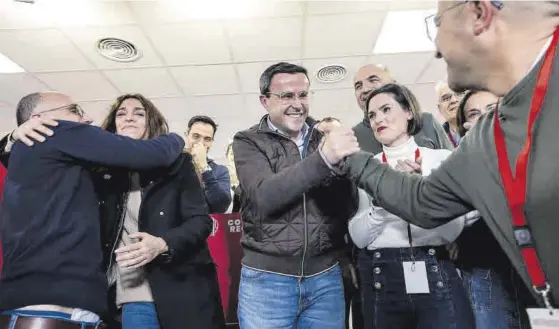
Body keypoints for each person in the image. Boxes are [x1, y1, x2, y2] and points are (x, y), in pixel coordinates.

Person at [340, 0, 559, 312]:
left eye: (437, 24)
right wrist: (351, 156)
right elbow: (424, 202)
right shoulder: (485, 137)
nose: (437, 49)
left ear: (479, 13)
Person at [0, 92, 184, 328]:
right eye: (75, 110)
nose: (86, 118)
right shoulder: (58, 133)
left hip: (30, 305)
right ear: (38, 120)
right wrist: (178, 138)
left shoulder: (26, 154)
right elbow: (153, 154)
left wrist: (11, 138)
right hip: (54, 308)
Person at [233, 62, 358, 329]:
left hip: (326, 278)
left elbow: (345, 206)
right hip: (267, 281)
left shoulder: (323, 137)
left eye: (303, 94)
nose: (297, 104)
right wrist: (324, 160)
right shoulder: (247, 141)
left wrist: (339, 170)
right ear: (264, 101)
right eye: (286, 96)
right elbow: (265, 196)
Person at [348, 83, 475, 329]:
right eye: (371, 115)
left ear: (408, 112)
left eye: (386, 109)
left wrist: (421, 196)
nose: (378, 119)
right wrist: (382, 202)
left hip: (436, 267)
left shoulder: (443, 160)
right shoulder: (366, 167)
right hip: (381, 277)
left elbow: (452, 231)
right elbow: (360, 238)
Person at [96, 94, 225, 329]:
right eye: (121, 113)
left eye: (139, 113)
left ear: (151, 122)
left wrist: (162, 244)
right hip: (133, 291)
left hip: (183, 285)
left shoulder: (177, 164)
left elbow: (200, 221)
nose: (129, 118)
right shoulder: (103, 172)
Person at [455, 90, 532, 329]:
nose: (486, 117)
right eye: (474, 114)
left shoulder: (535, 153)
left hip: (535, 272)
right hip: (485, 272)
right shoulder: (458, 165)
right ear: (466, 125)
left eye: (491, 109)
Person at [352, 64, 453, 153]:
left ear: (394, 85)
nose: (364, 89)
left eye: (373, 80)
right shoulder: (352, 138)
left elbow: (454, 167)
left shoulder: (427, 121)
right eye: (358, 86)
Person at [185, 115, 231, 214]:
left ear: (212, 142)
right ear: (187, 135)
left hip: (205, 227)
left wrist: (204, 167)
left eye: (207, 139)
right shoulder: (173, 164)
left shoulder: (220, 171)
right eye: (196, 136)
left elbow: (221, 206)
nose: (201, 143)